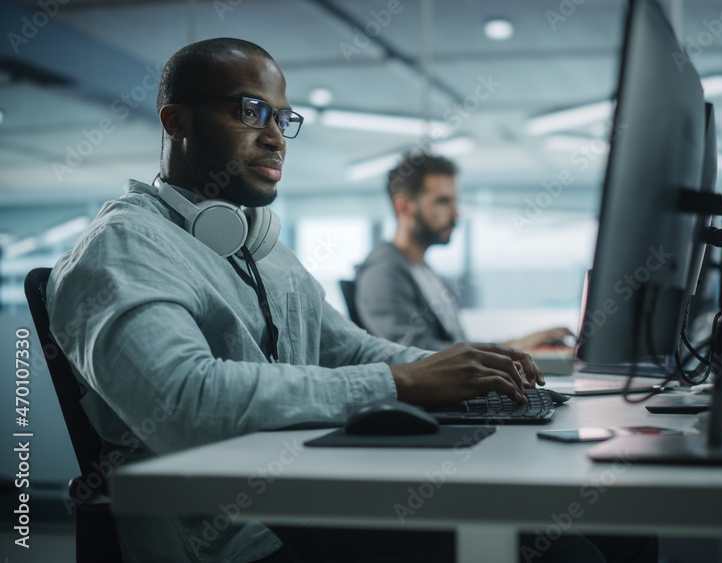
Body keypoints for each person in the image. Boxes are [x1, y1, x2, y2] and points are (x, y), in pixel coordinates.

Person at [46, 38, 544, 563]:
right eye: (250, 111)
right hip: (234, 543)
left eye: (283, 119)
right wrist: (403, 383)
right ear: (176, 122)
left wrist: (470, 372)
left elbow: (351, 350)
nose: (275, 137)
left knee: (562, 534)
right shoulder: (123, 248)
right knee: (554, 549)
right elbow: (183, 401)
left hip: (310, 506)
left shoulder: (264, 248)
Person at [354, 152, 572, 351]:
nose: (456, 214)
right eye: (442, 202)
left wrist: (518, 346)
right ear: (403, 207)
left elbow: (454, 346)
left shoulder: (426, 272)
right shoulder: (383, 273)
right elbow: (413, 355)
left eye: (454, 201)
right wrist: (513, 348)